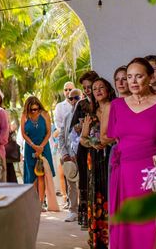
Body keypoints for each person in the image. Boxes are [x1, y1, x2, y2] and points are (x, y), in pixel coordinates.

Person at [107, 58, 156, 249]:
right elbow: (117, 139)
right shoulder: (117, 106)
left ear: (151, 77)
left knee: (152, 226)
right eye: (129, 77)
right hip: (125, 175)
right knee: (129, 225)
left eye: (139, 76)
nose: (133, 82)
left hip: (153, 175)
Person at [80, 78, 116, 249]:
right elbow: (83, 139)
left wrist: (107, 142)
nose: (98, 91)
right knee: (98, 197)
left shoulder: (117, 109)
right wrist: (94, 143)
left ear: (108, 90)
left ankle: (115, 239)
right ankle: (100, 241)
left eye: (102, 87)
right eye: (95, 89)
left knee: (112, 194)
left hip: (113, 156)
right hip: (95, 160)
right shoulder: (91, 115)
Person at [69, 70, 99, 226]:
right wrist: (79, 127)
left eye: (90, 86)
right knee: (85, 181)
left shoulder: (103, 101)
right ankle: (87, 218)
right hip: (84, 148)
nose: (88, 90)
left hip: (99, 147)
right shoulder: (81, 104)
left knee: (98, 181)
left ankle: (99, 216)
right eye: (85, 87)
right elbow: (72, 127)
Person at [21, 96, 56, 206]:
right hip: (29, 148)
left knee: (41, 175)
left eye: (36, 109)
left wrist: (40, 147)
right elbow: (23, 133)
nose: (33, 111)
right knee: (31, 175)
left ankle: (40, 203)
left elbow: (49, 133)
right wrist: (33, 145)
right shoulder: (24, 116)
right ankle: (32, 202)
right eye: (31, 109)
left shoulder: (45, 114)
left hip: (43, 147)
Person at [58, 88, 82, 221]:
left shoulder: (86, 113)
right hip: (68, 156)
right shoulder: (67, 116)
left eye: (76, 98)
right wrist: (65, 153)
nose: (73, 101)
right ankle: (73, 211)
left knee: (84, 184)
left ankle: (84, 211)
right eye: (70, 98)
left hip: (82, 156)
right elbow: (61, 136)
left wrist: (77, 154)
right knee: (71, 184)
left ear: (81, 97)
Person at [53, 81, 75, 199]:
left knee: (75, 171)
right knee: (63, 171)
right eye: (66, 89)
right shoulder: (59, 106)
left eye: (70, 89)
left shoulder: (79, 104)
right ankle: (65, 196)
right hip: (64, 141)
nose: (68, 91)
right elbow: (58, 124)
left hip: (77, 141)